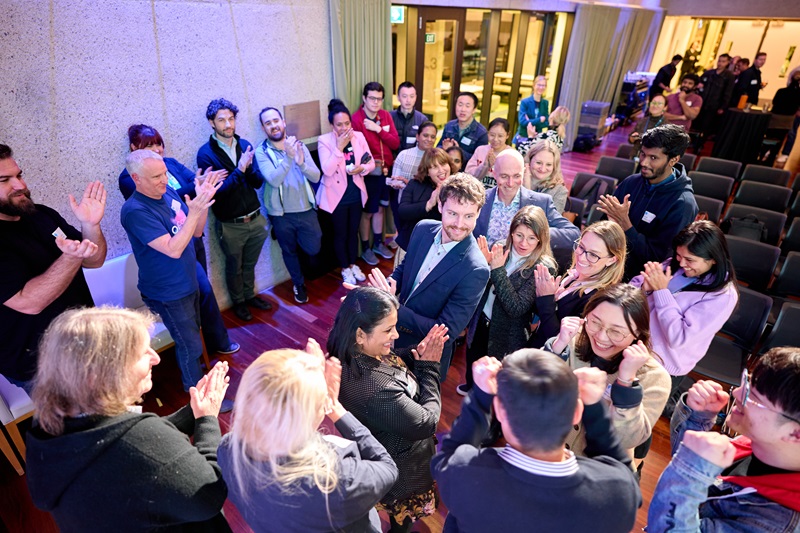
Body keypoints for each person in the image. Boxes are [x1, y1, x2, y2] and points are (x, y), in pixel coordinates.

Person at [26, 307, 232, 532]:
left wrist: (195, 411)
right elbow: (209, 494)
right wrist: (207, 420)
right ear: (102, 375)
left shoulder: (51, 426)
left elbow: (122, 440)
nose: (156, 358)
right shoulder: (141, 440)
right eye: (143, 353)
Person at [432, 352, 642, 533]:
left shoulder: (464, 474)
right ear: (577, 413)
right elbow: (627, 480)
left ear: (499, 410)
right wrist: (594, 407)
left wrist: (480, 396)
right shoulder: (616, 493)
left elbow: (446, 455)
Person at [218, 343, 398, 533]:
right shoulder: (333, 481)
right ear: (306, 419)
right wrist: (336, 408)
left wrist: (308, 383)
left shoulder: (228, 449)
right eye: (320, 404)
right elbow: (388, 468)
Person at [328, 287, 449, 533]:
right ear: (360, 334)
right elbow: (426, 423)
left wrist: (414, 355)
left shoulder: (349, 349)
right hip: (401, 463)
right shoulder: (376, 389)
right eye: (387, 330)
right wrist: (430, 368)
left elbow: (389, 362)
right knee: (401, 520)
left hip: (383, 441)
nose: (394, 335)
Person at [121, 149, 232, 402]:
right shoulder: (135, 210)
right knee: (190, 345)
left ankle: (197, 384)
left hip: (187, 281)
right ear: (136, 179)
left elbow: (195, 232)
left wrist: (203, 201)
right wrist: (193, 212)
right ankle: (200, 399)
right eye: (155, 177)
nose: (164, 180)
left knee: (193, 338)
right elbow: (173, 249)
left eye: (164, 174)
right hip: (167, 291)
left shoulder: (166, 192)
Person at [118, 125, 239, 356]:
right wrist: (197, 187)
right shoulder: (128, 178)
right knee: (190, 304)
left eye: (158, 143)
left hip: (191, 237)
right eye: (149, 145)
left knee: (203, 293)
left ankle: (216, 343)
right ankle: (196, 353)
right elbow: (176, 190)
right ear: (134, 149)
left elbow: (192, 183)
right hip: (167, 252)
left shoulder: (170, 163)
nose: (156, 150)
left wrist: (199, 185)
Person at [648, 347, 800, 531]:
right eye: (749, 381)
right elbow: (692, 482)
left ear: (795, 434)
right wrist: (699, 418)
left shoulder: (778, 521)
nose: (736, 392)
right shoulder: (754, 446)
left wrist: (691, 468)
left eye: (754, 397)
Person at [0, 144, 106, 391]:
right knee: (89, 427)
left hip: (87, 341)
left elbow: (94, 259)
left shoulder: (41, 214)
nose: (20, 186)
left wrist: (91, 225)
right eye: (4, 180)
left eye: (19, 175)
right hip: (44, 364)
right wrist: (70, 258)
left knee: (117, 411)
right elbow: (30, 302)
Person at [370, 174, 490, 380]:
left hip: (422, 357)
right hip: (388, 340)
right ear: (440, 206)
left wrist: (394, 308)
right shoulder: (422, 228)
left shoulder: (476, 269)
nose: (460, 224)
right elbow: (406, 268)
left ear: (478, 213)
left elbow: (446, 331)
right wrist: (382, 289)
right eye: (453, 213)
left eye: (469, 216)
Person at [544, 284, 671, 461]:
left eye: (616, 332)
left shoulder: (654, 377)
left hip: (596, 473)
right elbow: (532, 392)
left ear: (637, 334)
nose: (601, 337)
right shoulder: (570, 339)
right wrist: (557, 347)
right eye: (595, 322)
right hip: (546, 454)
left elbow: (625, 439)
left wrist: (627, 382)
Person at [630, 221, 739, 400]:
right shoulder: (676, 265)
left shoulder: (723, 295)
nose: (682, 263)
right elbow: (632, 287)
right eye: (679, 255)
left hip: (660, 366)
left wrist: (661, 292)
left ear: (713, 259)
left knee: (632, 418)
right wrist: (645, 289)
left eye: (690, 260)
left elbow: (679, 337)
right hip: (634, 346)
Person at [459, 205, 557, 396]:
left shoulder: (543, 267)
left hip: (507, 335)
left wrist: (496, 270)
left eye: (531, 238)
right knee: (474, 360)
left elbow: (516, 307)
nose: (524, 243)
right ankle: (471, 387)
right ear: (511, 231)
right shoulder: (500, 248)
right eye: (519, 235)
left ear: (541, 238)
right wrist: (483, 265)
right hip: (481, 321)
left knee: (494, 382)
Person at [197, 98, 271, 322]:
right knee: (234, 267)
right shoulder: (206, 153)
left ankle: (250, 296)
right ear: (212, 123)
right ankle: (239, 303)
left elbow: (257, 182)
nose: (228, 124)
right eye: (222, 120)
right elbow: (218, 193)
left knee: (250, 263)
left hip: (256, 219)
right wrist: (239, 170)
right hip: (230, 224)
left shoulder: (245, 144)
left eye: (231, 119)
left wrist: (246, 171)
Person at [598, 124, 698, 281]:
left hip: (637, 281)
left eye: (653, 158)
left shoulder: (683, 204)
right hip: (606, 265)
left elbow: (657, 259)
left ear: (674, 160)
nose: (644, 163)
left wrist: (625, 224)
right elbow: (603, 226)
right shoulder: (631, 182)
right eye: (643, 154)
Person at [255, 106, 322, 304]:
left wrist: (301, 162)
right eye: (268, 123)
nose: (273, 126)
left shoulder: (297, 144)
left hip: (306, 209)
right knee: (288, 250)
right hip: (281, 214)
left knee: (313, 247)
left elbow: (316, 175)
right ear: (263, 128)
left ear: (283, 122)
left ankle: (301, 266)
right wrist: (289, 156)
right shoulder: (262, 152)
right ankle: (298, 283)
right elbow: (273, 180)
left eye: (276, 121)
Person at [529, 220, 627, 348]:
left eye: (593, 255)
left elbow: (563, 343)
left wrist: (546, 300)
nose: (581, 257)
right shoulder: (574, 275)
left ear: (612, 260)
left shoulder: (598, 300)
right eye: (581, 247)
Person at [473, 149, 580, 257]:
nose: (510, 183)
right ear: (494, 174)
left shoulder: (541, 202)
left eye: (516, 176)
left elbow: (573, 233)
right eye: (504, 176)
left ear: (524, 172)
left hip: (521, 271)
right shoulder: (478, 200)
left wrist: (537, 231)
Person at [317, 99, 373, 285]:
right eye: (339, 124)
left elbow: (370, 162)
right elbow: (327, 170)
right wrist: (339, 147)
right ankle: (344, 268)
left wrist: (362, 169)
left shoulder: (359, 137)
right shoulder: (324, 141)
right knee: (340, 233)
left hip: (355, 192)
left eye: (347, 123)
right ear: (332, 125)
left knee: (353, 231)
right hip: (336, 196)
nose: (344, 128)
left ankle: (352, 263)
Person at [352, 82, 400, 266]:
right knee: (368, 212)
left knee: (381, 208)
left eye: (379, 99)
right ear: (364, 98)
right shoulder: (356, 119)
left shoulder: (385, 116)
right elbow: (357, 151)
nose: (375, 102)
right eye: (372, 98)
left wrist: (378, 129)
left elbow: (395, 143)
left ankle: (379, 244)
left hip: (387, 172)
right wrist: (373, 165)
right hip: (369, 173)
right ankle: (365, 248)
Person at [395, 147, 456, 260]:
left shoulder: (457, 187)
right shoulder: (415, 184)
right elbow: (402, 211)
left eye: (443, 164)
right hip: (410, 246)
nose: (441, 170)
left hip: (440, 252)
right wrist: (429, 204)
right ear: (427, 171)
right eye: (434, 167)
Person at [694, 54, 736, 152]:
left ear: (727, 63)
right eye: (719, 61)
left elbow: (728, 92)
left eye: (723, 61)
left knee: (706, 126)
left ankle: (700, 144)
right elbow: (699, 83)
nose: (720, 63)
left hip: (714, 105)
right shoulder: (709, 73)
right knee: (698, 124)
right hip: (702, 103)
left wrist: (723, 107)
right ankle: (694, 141)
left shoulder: (729, 76)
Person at [437, 92, 489, 163]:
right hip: (447, 169)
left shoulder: (481, 133)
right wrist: (443, 148)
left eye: (467, 106)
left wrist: (458, 151)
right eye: (460, 105)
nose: (463, 109)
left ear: (474, 110)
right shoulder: (449, 125)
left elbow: (479, 160)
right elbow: (438, 148)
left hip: (467, 172)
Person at [465, 117, 514, 189]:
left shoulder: (512, 155)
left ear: (507, 135)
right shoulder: (480, 150)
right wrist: (485, 165)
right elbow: (468, 175)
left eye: (500, 136)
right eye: (492, 135)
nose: (495, 139)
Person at [523, 140, 569, 213]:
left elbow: (545, 222)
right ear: (530, 160)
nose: (543, 169)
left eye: (548, 164)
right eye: (538, 163)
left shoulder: (559, 192)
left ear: (554, 166)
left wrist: (527, 190)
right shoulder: (514, 180)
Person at [391, 81, 429, 152]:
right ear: (398, 97)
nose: (408, 100)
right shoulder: (389, 117)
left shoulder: (422, 120)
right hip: (393, 160)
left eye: (411, 96)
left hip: (414, 160)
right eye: (404, 96)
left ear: (415, 98)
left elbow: (426, 145)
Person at [774, 69, 800, 164]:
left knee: (791, 132)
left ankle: (785, 153)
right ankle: (774, 150)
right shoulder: (796, 70)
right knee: (779, 131)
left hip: (795, 113)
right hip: (785, 111)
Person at [515, 75, 550, 145]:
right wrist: (539, 120)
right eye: (539, 85)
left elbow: (547, 122)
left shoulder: (545, 103)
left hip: (537, 138)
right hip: (523, 138)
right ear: (534, 85)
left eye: (543, 85)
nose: (541, 87)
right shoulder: (525, 102)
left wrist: (530, 123)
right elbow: (522, 122)